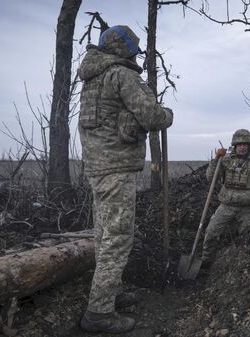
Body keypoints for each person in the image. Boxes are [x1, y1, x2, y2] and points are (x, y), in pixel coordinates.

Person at [77, 25, 173, 334]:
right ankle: (99, 313)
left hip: (97, 168)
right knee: (118, 239)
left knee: (105, 235)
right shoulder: (122, 75)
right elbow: (153, 117)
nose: (136, 53)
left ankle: (110, 292)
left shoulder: (93, 78)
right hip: (117, 169)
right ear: (124, 48)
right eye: (133, 48)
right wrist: (167, 113)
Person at [201, 129, 250, 269]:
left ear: (249, 146)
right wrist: (216, 159)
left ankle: (239, 267)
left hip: (248, 208)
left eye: (245, 144)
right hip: (227, 205)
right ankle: (206, 263)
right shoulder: (226, 159)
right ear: (235, 146)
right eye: (239, 144)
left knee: (246, 238)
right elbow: (210, 178)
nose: (242, 147)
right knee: (211, 232)